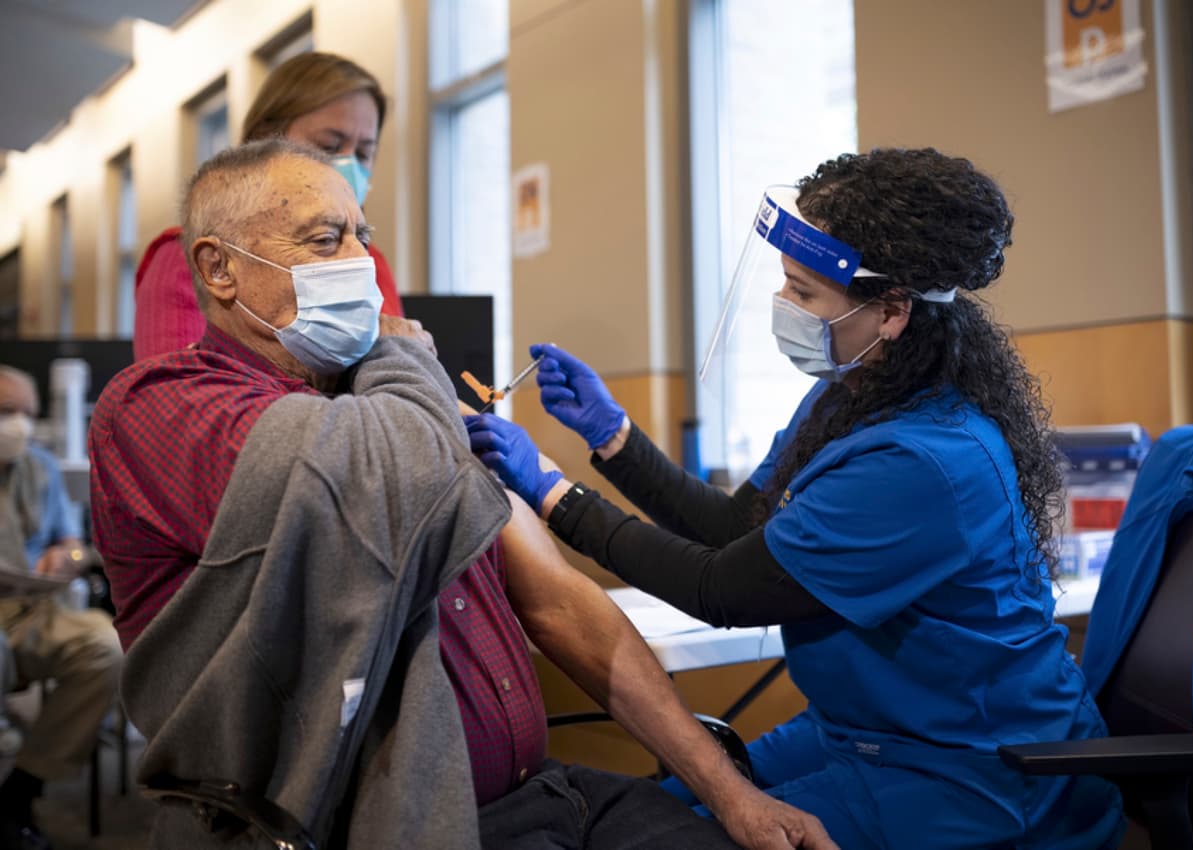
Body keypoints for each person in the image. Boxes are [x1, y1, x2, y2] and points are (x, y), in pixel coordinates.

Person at [89, 139, 835, 850]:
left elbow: (559, 602)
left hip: (540, 794)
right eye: (325, 241)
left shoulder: (385, 413)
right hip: (375, 825)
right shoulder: (164, 405)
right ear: (219, 270)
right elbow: (376, 486)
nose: (363, 266)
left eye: (362, 235)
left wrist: (729, 789)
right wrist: (404, 356)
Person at [464, 148, 1128, 849]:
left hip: (974, 771)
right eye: (786, 285)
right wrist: (613, 438)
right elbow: (736, 524)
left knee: (674, 838)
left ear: (892, 311)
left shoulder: (928, 460)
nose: (785, 307)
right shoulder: (851, 394)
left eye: (806, 294)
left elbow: (722, 588)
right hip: (862, 736)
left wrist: (549, 492)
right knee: (652, 815)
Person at [132, 51, 403, 362]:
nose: (347, 165)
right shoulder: (185, 258)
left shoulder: (370, 261)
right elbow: (177, 391)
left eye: (364, 153)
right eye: (328, 146)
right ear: (265, 139)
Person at [0, 366, 124, 849]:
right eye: (6, 412)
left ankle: (21, 791)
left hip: (32, 609)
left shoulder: (40, 467)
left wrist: (67, 556)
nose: (19, 426)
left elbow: (72, 542)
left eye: (28, 415)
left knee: (104, 645)